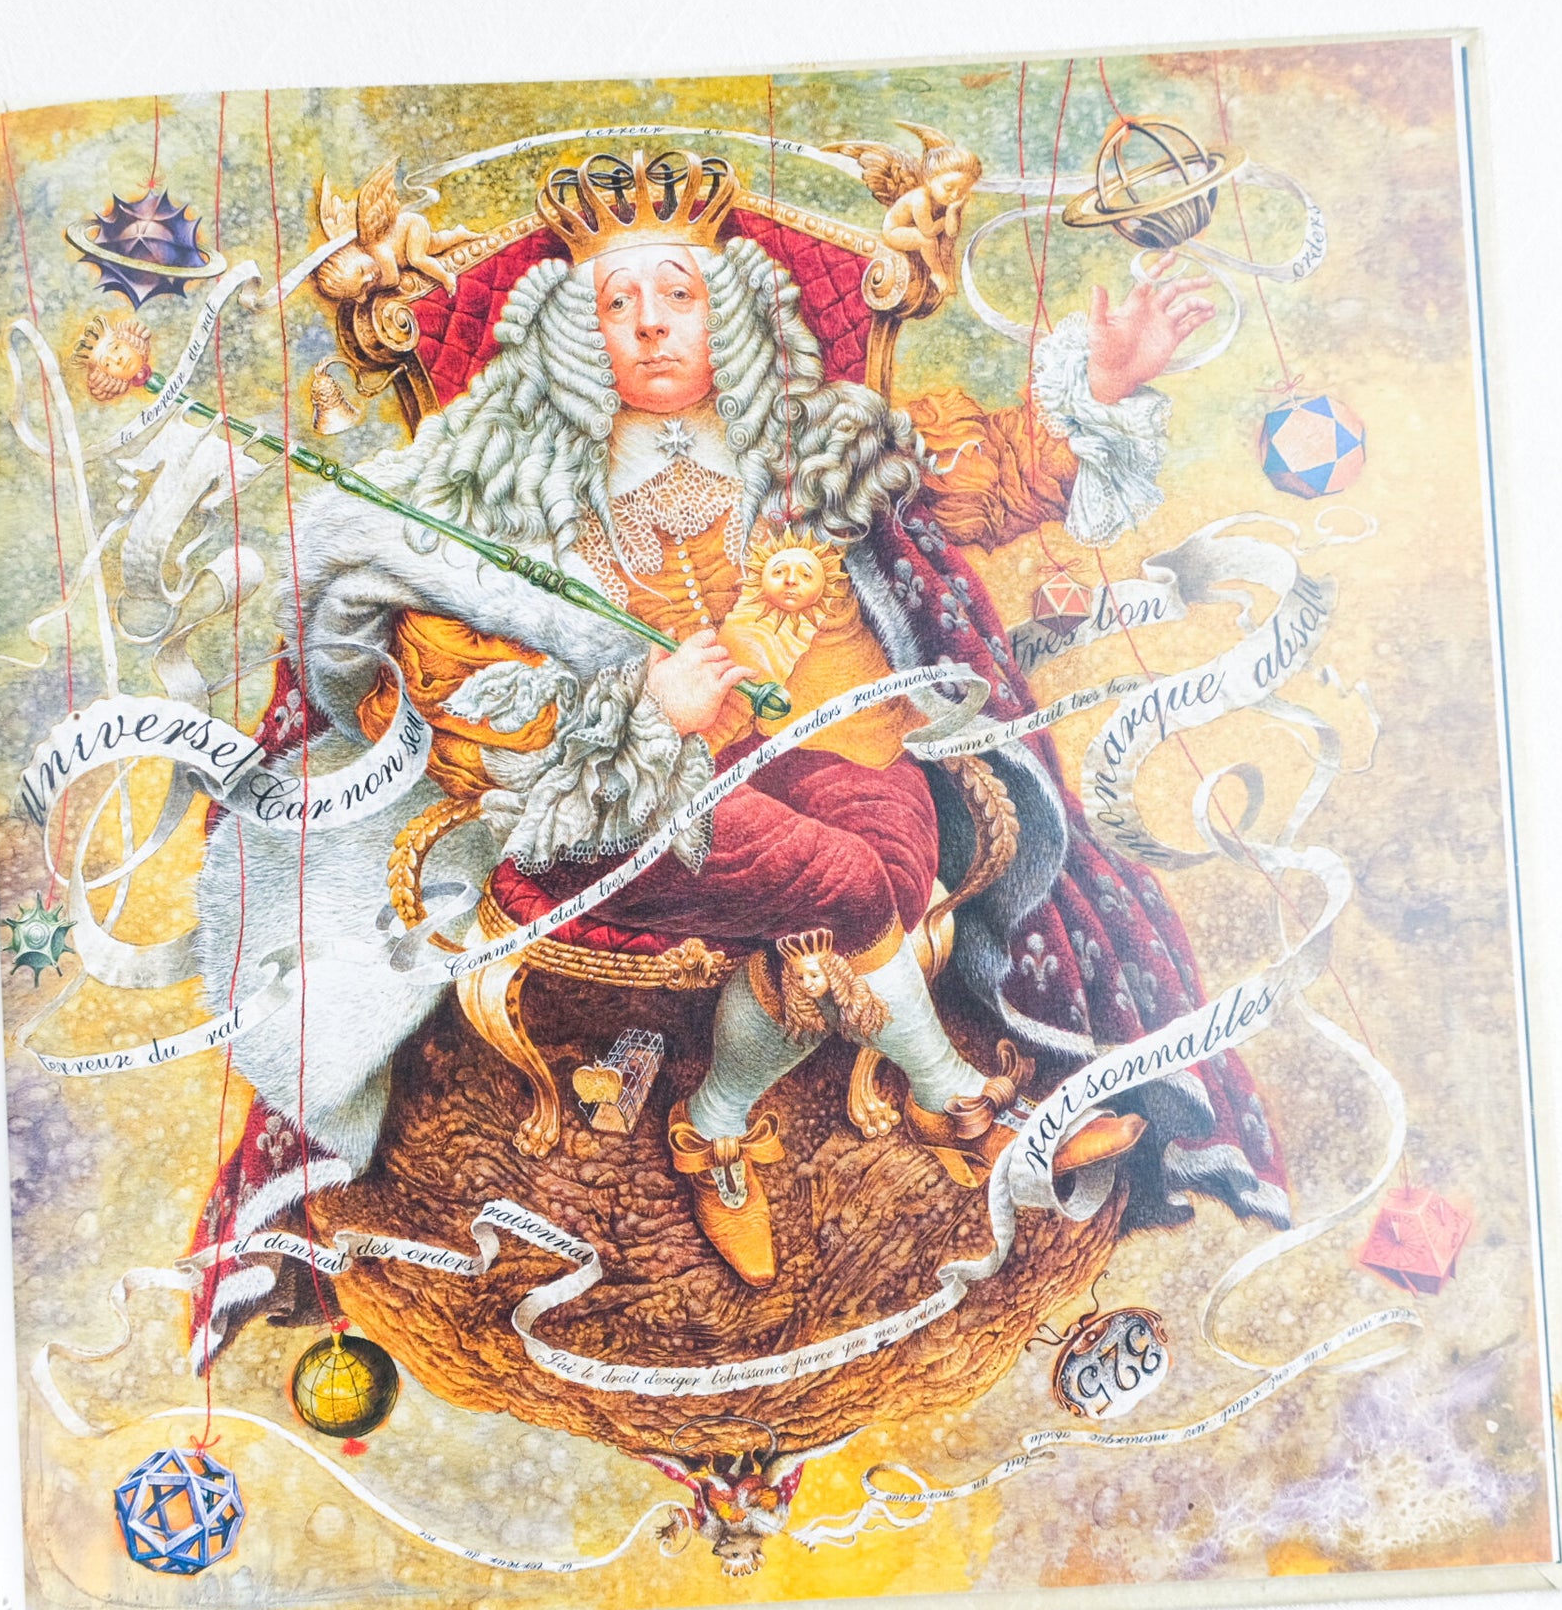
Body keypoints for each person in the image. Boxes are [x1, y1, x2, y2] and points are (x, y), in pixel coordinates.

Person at [193, 149, 1282, 1320]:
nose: (649, 324)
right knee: (848, 890)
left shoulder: (819, 437)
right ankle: (966, 1108)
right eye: (617, 303)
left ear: (732, 312)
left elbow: (990, 491)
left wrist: (1100, 391)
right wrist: (637, 705)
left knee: (874, 874)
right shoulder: (509, 484)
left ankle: (712, 1121)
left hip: (843, 735)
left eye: (678, 295)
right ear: (574, 333)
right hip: (633, 787)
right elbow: (453, 683)